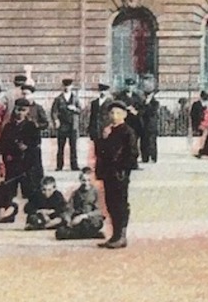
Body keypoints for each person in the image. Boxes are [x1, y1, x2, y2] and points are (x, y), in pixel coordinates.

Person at [94, 99, 141, 248]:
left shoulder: (127, 131)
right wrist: (104, 138)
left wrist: (123, 169)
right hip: (108, 172)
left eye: (118, 113)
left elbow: (133, 153)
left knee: (120, 204)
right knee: (110, 204)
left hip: (119, 173)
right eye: (112, 113)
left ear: (124, 115)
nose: (114, 116)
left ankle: (121, 236)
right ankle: (114, 235)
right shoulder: (107, 130)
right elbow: (99, 152)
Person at [0, 99, 44, 209]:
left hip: (27, 164)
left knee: (30, 190)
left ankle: (32, 211)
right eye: (18, 110)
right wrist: (8, 154)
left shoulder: (31, 126)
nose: (20, 113)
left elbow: (36, 143)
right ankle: (8, 212)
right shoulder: (8, 127)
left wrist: (27, 147)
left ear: (27, 111)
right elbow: (3, 145)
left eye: (23, 110)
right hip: (13, 163)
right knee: (9, 190)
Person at [56, 168, 105, 240]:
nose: (86, 183)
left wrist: (83, 216)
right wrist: (68, 219)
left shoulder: (96, 192)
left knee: (86, 225)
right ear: (80, 180)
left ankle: (79, 234)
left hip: (91, 220)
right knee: (60, 232)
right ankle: (91, 234)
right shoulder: (76, 193)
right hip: (77, 220)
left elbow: (100, 211)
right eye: (84, 180)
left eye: (89, 180)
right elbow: (69, 208)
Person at [52, 79, 81, 171]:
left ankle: (74, 165)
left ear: (71, 87)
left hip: (73, 125)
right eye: (65, 86)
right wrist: (56, 120)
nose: (67, 88)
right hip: (62, 125)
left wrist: (75, 109)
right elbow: (54, 111)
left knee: (73, 147)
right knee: (61, 146)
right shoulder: (58, 99)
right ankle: (59, 165)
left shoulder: (75, 98)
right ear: (62, 86)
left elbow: (80, 110)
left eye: (68, 86)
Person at [139, 85, 162, 164]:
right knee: (144, 142)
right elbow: (141, 112)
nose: (147, 96)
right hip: (143, 125)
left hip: (152, 126)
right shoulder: (142, 103)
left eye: (149, 94)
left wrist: (147, 104)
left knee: (152, 142)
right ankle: (145, 158)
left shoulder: (155, 103)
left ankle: (153, 157)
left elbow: (152, 112)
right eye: (146, 94)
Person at [190, 91, 208, 157]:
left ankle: (203, 150)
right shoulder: (196, 104)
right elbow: (192, 114)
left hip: (207, 123)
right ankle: (199, 151)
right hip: (199, 123)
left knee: (204, 137)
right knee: (199, 138)